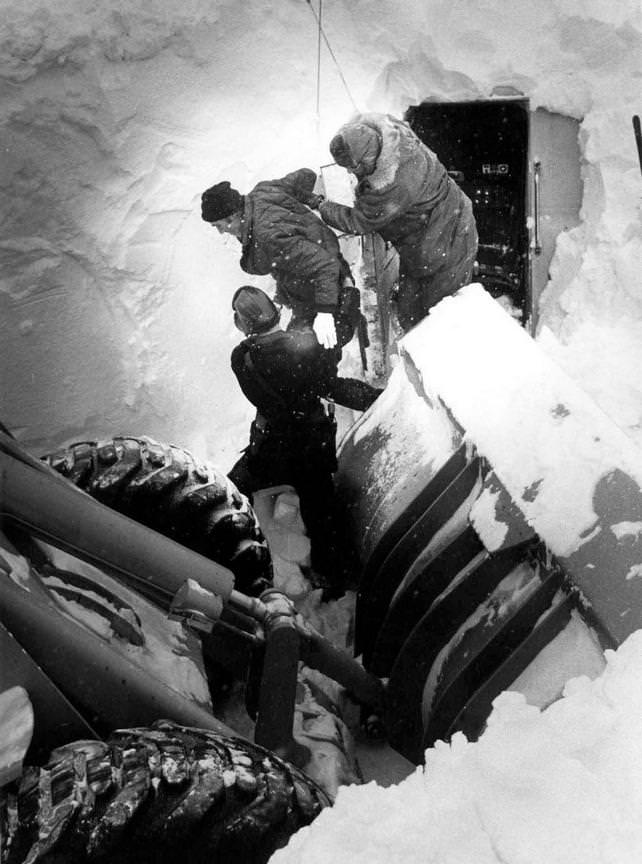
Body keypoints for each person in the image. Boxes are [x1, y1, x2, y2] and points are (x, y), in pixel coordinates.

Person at [226, 286, 381, 598]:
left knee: (233, 491)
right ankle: (335, 576)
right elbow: (332, 385)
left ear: (244, 325)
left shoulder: (242, 358)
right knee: (323, 513)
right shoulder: (304, 350)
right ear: (276, 313)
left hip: (270, 451)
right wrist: (379, 399)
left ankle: (233, 555)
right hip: (311, 449)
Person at [306, 112, 478, 331]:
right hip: (427, 236)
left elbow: (358, 222)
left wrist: (321, 205)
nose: (350, 172)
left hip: (450, 239)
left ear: (368, 158)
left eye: (353, 167)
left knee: (437, 320)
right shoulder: (389, 133)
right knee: (409, 310)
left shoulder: (395, 184)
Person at [201, 170, 362, 352]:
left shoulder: (266, 238)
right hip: (320, 264)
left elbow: (325, 266)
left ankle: (349, 312)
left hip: (323, 287)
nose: (221, 232)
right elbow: (305, 176)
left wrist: (324, 313)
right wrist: (311, 202)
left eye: (219, 226)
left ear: (233, 217)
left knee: (311, 353)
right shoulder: (263, 190)